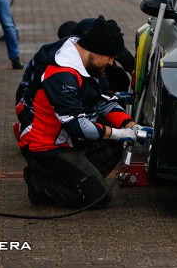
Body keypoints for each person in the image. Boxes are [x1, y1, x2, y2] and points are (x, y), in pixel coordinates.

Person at [17, 16, 152, 208]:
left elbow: (106, 103)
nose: (112, 63)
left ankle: (79, 179)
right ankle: (40, 185)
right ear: (96, 50)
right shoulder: (61, 73)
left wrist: (133, 127)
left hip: (69, 142)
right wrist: (117, 133)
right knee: (99, 198)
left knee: (118, 143)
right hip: (45, 148)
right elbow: (76, 126)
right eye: (111, 57)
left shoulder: (92, 64)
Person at [15, 18, 135, 129]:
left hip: (83, 82)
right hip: (33, 107)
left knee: (115, 79)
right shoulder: (60, 64)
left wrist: (133, 71)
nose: (111, 61)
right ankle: (25, 129)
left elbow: (120, 51)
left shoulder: (97, 36)